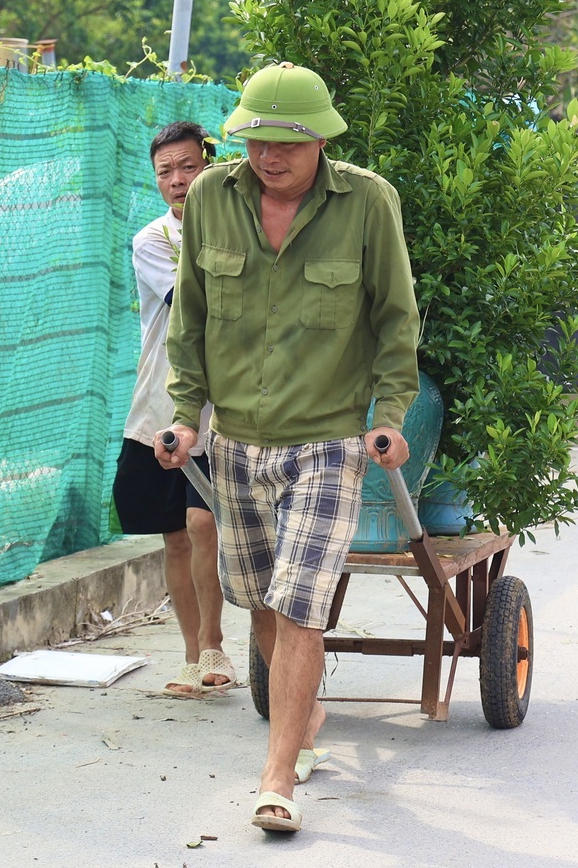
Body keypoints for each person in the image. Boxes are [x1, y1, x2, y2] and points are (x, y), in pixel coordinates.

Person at [161, 63, 420, 836]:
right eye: (256, 141)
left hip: (328, 442)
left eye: (287, 144)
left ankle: (277, 780)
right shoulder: (211, 197)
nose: (269, 157)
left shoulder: (367, 202)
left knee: (301, 605)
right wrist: (185, 417)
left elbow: (396, 322)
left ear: (320, 141)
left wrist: (393, 414)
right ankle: (303, 713)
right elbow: (192, 322)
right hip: (237, 443)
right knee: (261, 603)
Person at [116, 121, 233, 698]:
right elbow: (194, 304)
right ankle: (194, 655)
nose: (178, 180)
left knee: (204, 521)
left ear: (210, 165)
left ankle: (215, 643)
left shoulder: (242, 230)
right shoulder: (153, 241)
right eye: (166, 171)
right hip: (165, 403)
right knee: (176, 536)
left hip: (227, 411)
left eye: (188, 167)